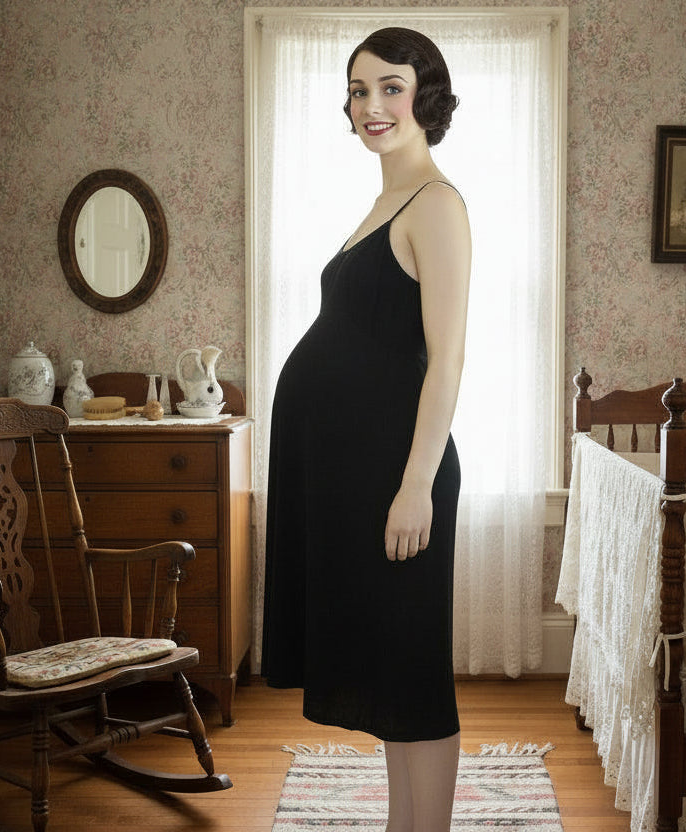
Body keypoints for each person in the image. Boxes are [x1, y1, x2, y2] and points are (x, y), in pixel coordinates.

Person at [261, 26, 471, 832]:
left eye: (390, 86)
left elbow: (446, 362)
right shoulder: (385, 202)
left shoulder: (437, 205)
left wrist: (415, 485)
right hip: (362, 476)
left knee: (415, 677)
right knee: (389, 673)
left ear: (425, 94)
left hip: (401, 477)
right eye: (358, 90)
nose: (372, 105)